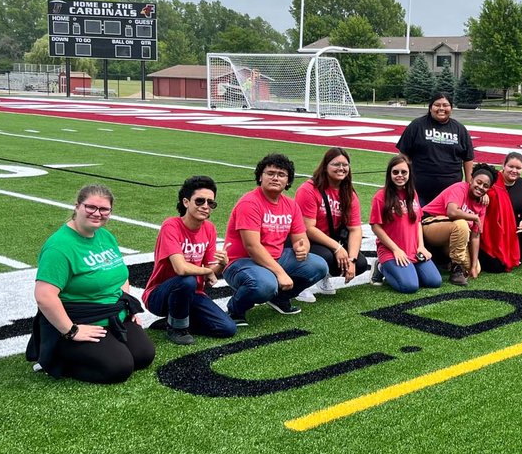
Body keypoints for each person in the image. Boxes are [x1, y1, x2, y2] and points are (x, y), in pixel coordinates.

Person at [29, 184, 154, 384]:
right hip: (80, 319)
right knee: (119, 368)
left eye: (104, 209)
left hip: (112, 315)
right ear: (77, 206)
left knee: (143, 355)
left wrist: (125, 305)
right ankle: (54, 356)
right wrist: (71, 330)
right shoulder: (59, 247)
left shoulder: (105, 236)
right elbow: (44, 296)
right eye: (91, 207)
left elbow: (120, 275)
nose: (97, 213)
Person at [222, 153, 328, 325]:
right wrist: (280, 273)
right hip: (242, 262)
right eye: (270, 173)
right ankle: (235, 309)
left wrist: (303, 248)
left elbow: (301, 238)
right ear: (260, 176)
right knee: (266, 285)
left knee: (318, 265)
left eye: (281, 175)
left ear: (288, 181)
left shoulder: (290, 205)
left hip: (276, 257)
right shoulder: (249, 203)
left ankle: (280, 298)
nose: (275, 178)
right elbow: (252, 247)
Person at [142, 176, 236, 346]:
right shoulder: (171, 225)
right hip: (159, 296)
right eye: (200, 201)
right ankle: (176, 329)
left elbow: (210, 272)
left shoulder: (209, 228)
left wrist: (221, 264)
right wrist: (208, 271)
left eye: (211, 203)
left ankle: (172, 321)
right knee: (187, 280)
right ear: (186, 202)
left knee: (227, 328)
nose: (205, 206)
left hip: (192, 293)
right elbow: (181, 269)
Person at [294, 147, 369, 301]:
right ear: (325, 166)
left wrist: (352, 260)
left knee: (361, 263)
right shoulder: (309, 189)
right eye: (336, 164)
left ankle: (323, 275)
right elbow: (307, 228)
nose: (341, 168)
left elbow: (355, 229)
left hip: (328, 240)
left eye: (345, 164)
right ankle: (300, 283)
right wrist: (337, 248)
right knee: (327, 255)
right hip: (303, 239)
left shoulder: (348, 193)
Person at [369, 154, 443, 293]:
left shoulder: (412, 193)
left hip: (414, 250)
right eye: (395, 172)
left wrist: (421, 246)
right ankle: (381, 267)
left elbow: (418, 222)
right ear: (389, 174)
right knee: (409, 287)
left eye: (404, 172)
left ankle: (408, 270)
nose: (400, 175)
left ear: (409, 173)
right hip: (392, 251)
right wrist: (396, 249)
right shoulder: (381, 196)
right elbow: (375, 226)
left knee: (434, 282)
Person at [396, 92, 475, 206]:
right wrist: (405, 178)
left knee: (447, 223)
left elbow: (468, 158)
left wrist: (469, 184)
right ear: (430, 107)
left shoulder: (460, 129)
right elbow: (403, 154)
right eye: (437, 105)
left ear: (451, 108)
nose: (441, 108)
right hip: (419, 192)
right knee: (417, 222)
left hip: (451, 194)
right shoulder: (417, 125)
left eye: (445, 105)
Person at [421, 163, 495, 285]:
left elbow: (475, 236)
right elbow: (452, 212)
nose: (481, 187)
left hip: (450, 233)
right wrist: (474, 217)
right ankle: (456, 269)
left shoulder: (482, 204)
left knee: (475, 268)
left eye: (485, 186)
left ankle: (442, 259)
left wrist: (474, 264)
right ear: (471, 180)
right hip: (428, 223)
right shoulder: (460, 188)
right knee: (461, 224)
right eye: (479, 182)